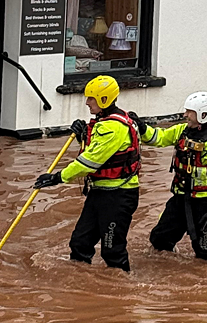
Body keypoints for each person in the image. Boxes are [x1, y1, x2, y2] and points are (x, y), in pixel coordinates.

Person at [33, 75, 140, 272]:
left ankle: (121, 290)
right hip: (100, 192)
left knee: (112, 251)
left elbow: (90, 162)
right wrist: (82, 135)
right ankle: (79, 283)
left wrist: (58, 178)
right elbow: (93, 150)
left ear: (104, 100)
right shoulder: (103, 122)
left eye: (91, 98)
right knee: (80, 243)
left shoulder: (113, 128)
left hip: (119, 195)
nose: (87, 102)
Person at [130, 92, 207, 261]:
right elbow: (159, 138)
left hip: (204, 204)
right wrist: (142, 127)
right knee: (159, 241)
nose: (185, 114)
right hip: (179, 199)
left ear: (203, 114)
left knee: (204, 252)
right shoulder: (181, 132)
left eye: (190, 112)